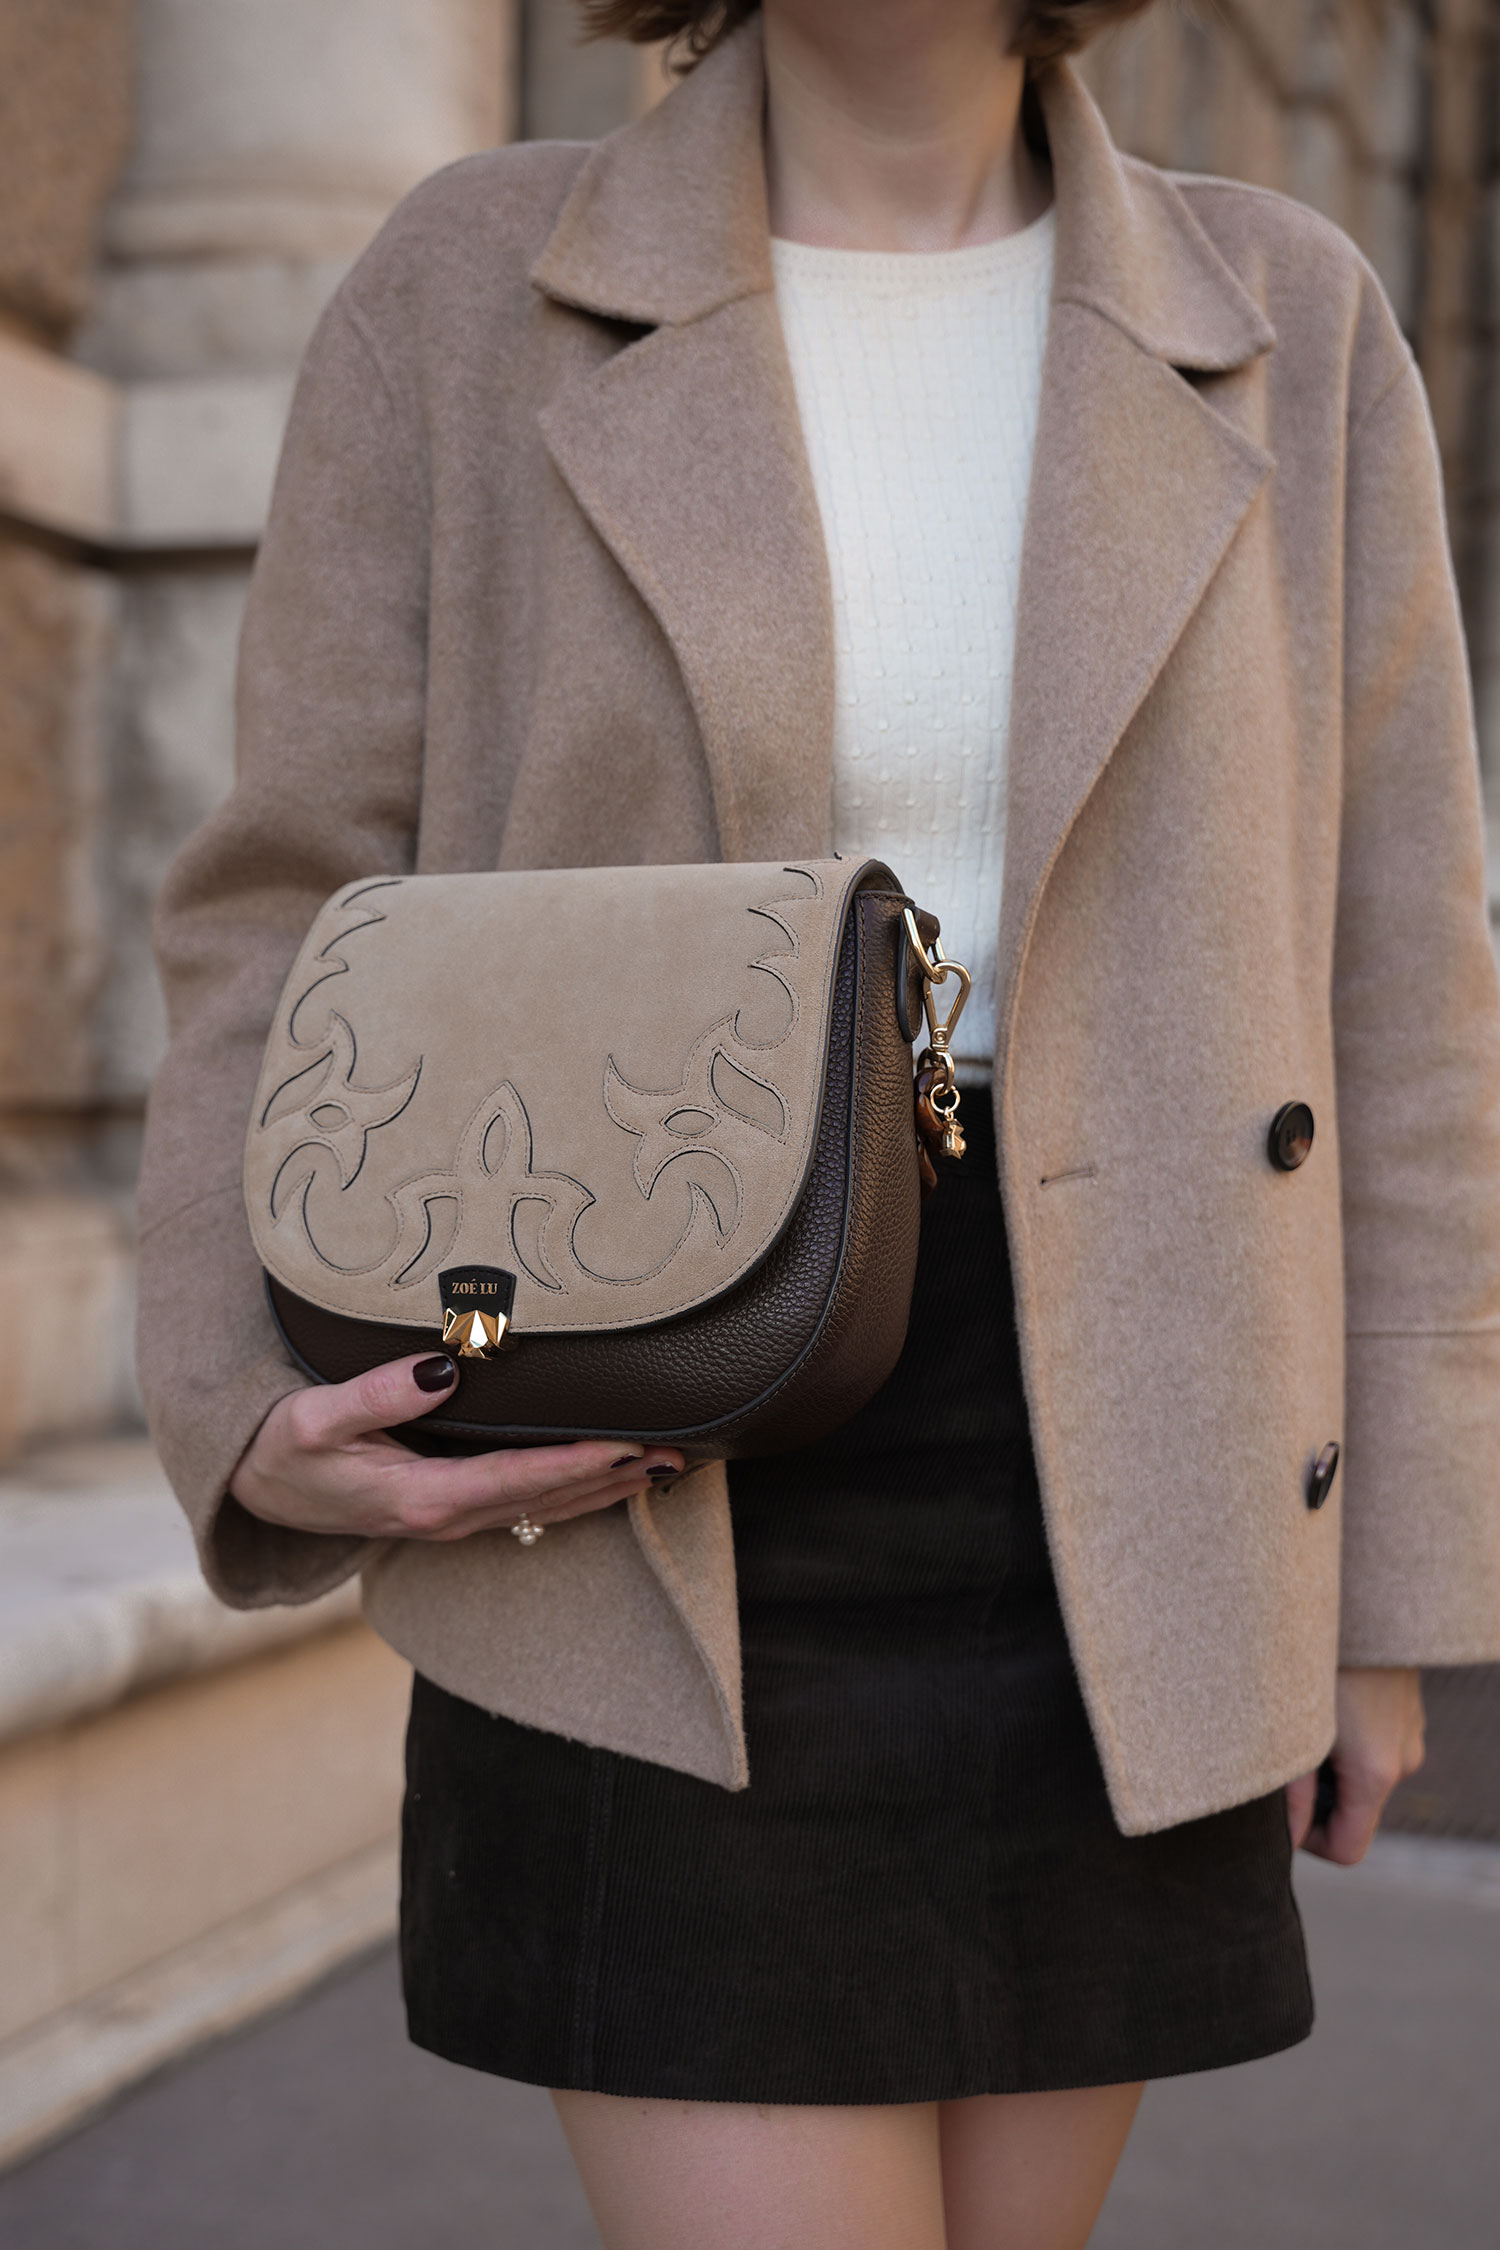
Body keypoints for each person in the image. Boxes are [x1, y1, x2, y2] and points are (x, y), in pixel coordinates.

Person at [137, 2, 1500, 2243]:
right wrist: (231, 1391)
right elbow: (279, 900)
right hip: (632, 1468)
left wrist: (1392, 1589)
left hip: (1132, 1499)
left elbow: (1402, 990)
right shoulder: (470, 286)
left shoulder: (1292, 319)